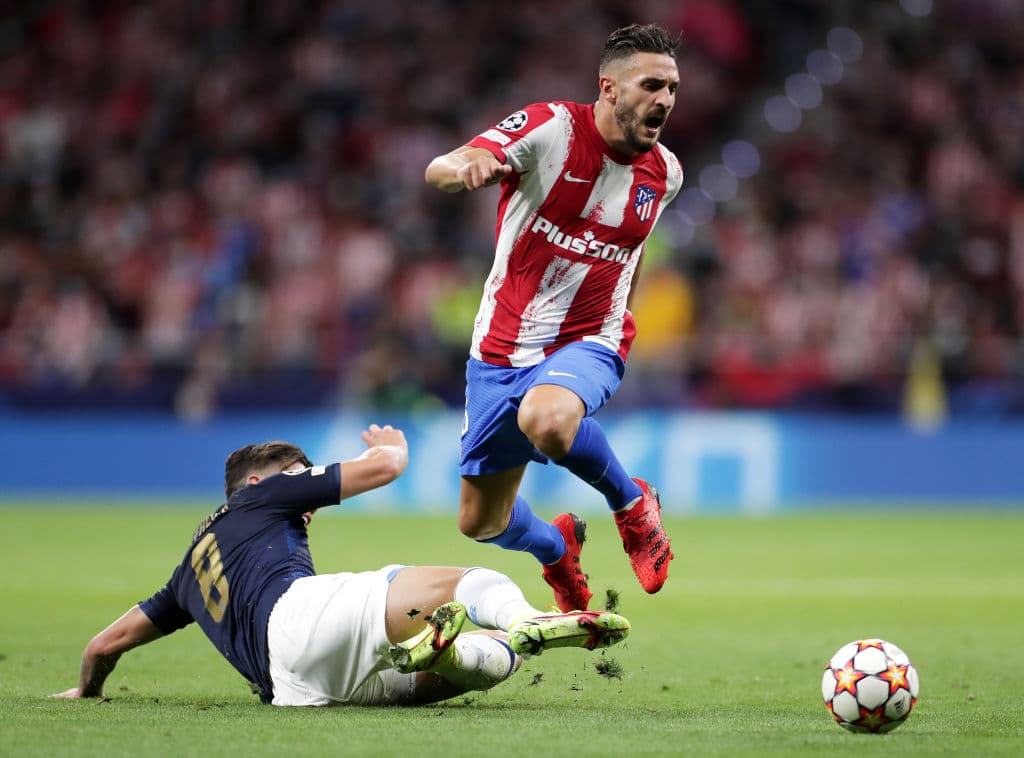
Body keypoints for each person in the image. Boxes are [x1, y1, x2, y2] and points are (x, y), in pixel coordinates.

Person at [51, 425, 630, 707]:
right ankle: (529, 618)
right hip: (299, 617)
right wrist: (391, 446)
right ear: (255, 482)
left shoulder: (187, 574)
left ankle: (449, 652)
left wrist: (87, 693)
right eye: (296, 476)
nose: (304, 495)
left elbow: (103, 647)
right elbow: (385, 469)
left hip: (295, 690)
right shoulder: (259, 495)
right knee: (477, 582)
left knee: (495, 662)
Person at [424, 23, 682, 612]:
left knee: (547, 418)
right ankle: (555, 549)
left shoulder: (665, 173)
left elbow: (633, 249)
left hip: (589, 338)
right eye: (651, 85)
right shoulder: (551, 129)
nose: (665, 100)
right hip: (500, 347)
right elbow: (443, 165)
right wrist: (466, 167)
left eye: (672, 88)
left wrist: (620, 316)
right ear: (610, 89)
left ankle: (632, 505)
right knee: (481, 522)